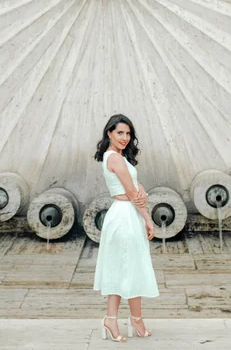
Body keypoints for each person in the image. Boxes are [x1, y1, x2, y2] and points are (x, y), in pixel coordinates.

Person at [93, 114, 160, 343]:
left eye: (128, 133)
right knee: (126, 267)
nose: (125, 137)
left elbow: (135, 185)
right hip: (124, 214)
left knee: (127, 267)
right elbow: (131, 193)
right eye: (120, 133)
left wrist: (141, 192)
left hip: (127, 213)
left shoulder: (121, 158)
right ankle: (123, 319)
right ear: (109, 133)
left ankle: (128, 318)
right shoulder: (114, 158)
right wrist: (148, 218)